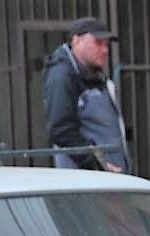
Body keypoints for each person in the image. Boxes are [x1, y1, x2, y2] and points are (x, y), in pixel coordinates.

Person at [42, 17, 129, 173]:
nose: (105, 50)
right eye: (98, 43)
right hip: (86, 180)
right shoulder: (62, 76)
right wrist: (97, 165)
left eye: (106, 44)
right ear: (77, 41)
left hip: (103, 176)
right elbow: (61, 131)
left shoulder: (92, 72)